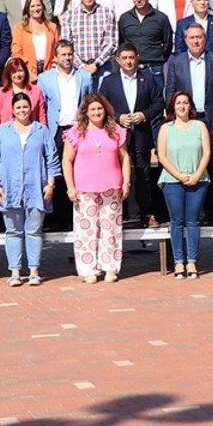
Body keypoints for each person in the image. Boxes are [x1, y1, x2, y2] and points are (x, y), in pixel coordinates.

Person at [0, 90, 59, 285]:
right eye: (18, 107)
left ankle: (34, 271)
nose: (22, 110)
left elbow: (52, 160)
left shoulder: (41, 130)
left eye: (25, 106)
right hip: (9, 188)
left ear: (31, 108)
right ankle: (15, 272)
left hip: (36, 187)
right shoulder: (2, 131)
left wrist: (50, 184)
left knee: (34, 230)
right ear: (13, 109)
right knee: (13, 231)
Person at [63, 92, 131, 284]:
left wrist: (126, 182)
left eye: (99, 108)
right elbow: (67, 160)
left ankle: (110, 267)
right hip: (85, 188)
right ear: (86, 112)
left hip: (111, 186)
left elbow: (124, 157)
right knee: (87, 229)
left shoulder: (115, 130)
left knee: (111, 228)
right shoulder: (76, 132)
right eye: (92, 109)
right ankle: (88, 269)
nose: (97, 112)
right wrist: (70, 187)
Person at [100, 45, 163, 226]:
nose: (128, 61)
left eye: (132, 57)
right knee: (116, 172)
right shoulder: (109, 81)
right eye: (125, 58)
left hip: (141, 134)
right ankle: (119, 214)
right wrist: (118, 118)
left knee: (143, 173)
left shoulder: (148, 79)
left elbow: (159, 102)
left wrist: (144, 115)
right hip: (117, 136)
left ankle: (146, 213)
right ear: (118, 60)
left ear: (137, 58)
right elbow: (101, 107)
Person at [155, 90, 213, 278]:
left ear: (191, 106)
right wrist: (179, 175)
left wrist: (197, 174)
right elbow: (161, 156)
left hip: (198, 180)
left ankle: (193, 262)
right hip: (172, 181)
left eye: (185, 103)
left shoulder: (199, 126)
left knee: (193, 221)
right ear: (173, 106)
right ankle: (179, 262)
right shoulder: (166, 128)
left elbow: (206, 153)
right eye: (178, 103)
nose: (182, 106)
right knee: (177, 221)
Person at [164, 22, 213, 132]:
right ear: (186, 40)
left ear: (205, 39)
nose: (195, 41)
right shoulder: (176, 62)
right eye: (192, 38)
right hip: (185, 119)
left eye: (199, 37)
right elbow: (170, 93)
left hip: (211, 119)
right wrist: (173, 117)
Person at [59, 0, 119, 76]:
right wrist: (83, 66)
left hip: (103, 67)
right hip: (77, 69)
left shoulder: (108, 13)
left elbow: (112, 43)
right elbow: (66, 45)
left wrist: (96, 64)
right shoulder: (69, 15)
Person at [117, 0, 173, 77]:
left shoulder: (161, 18)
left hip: (155, 69)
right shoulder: (124, 18)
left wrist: (157, 58)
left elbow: (168, 43)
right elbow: (121, 42)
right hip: (132, 69)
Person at [37, 40, 94, 132]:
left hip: (78, 128)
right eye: (63, 55)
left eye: (70, 54)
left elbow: (91, 102)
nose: (67, 58)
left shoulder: (85, 77)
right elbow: (42, 107)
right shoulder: (44, 79)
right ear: (55, 57)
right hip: (56, 130)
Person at [0, 57, 48, 131]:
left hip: (31, 134)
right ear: (8, 74)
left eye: (20, 71)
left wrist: (43, 134)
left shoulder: (36, 91)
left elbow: (41, 117)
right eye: (14, 71)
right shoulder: (0, 93)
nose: (17, 74)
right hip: (7, 136)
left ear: (25, 72)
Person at [10, 0, 62, 76]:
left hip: (49, 70)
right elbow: (16, 52)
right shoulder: (20, 27)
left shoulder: (52, 27)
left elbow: (58, 50)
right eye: (32, 6)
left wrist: (54, 65)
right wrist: (26, 70)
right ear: (28, 9)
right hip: (28, 70)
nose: (36, 9)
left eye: (38, 5)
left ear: (43, 7)